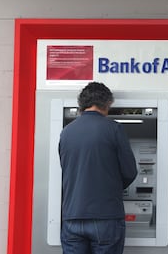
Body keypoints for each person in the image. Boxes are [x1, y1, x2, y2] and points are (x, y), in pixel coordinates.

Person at [58, 82, 138, 254]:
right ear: (107, 103)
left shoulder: (66, 132)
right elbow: (130, 172)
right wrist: (110, 187)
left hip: (72, 216)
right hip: (106, 216)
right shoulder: (114, 129)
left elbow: (67, 170)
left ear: (82, 104)